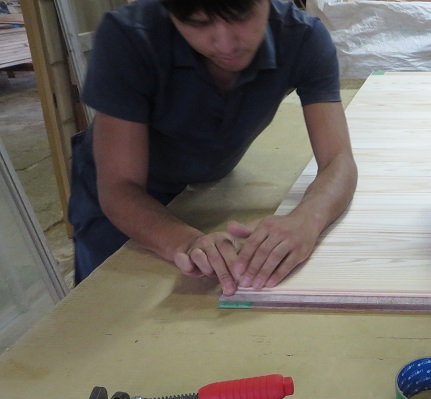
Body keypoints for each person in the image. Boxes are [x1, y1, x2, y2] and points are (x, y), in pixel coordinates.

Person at [68, 0, 357, 296]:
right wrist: (186, 242)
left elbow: (338, 160)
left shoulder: (303, 38)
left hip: (205, 189)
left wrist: (308, 218)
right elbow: (119, 187)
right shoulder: (128, 38)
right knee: (109, 304)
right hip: (122, 200)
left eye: (240, 15)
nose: (225, 44)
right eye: (198, 23)